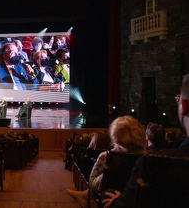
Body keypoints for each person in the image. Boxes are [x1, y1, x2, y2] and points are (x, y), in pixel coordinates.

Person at [101, 74, 189, 208]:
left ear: (184, 106)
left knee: (107, 194)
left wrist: (121, 200)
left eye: (178, 99)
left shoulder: (153, 163)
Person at [67, 115, 146, 208]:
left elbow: (93, 183)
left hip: (116, 197)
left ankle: (85, 197)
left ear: (115, 139)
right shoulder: (150, 161)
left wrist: (102, 161)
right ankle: (85, 196)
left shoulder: (109, 157)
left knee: (106, 194)